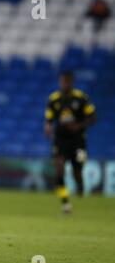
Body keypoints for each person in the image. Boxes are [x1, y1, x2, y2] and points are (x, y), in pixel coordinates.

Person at [44, 71, 96, 214]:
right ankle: (65, 203)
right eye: (62, 81)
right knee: (59, 169)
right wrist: (48, 127)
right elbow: (49, 118)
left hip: (78, 140)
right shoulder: (54, 99)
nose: (64, 84)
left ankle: (80, 184)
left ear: (71, 83)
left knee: (76, 171)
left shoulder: (81, 98)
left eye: (67, 81)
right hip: (60, 139)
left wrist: (79, 126)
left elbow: (93, 117)